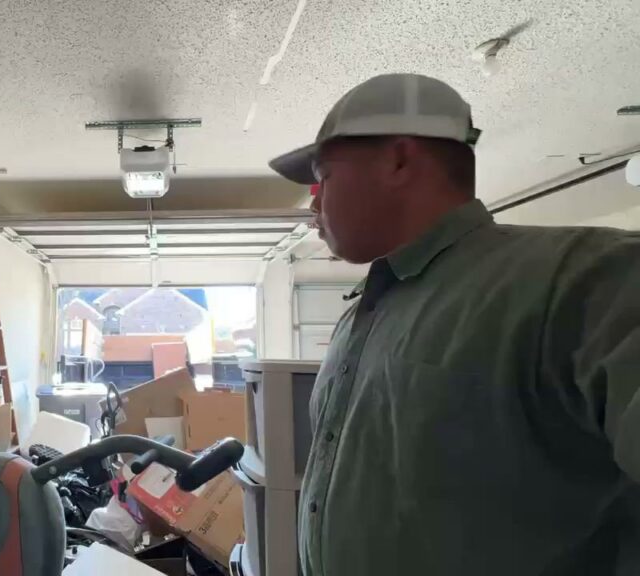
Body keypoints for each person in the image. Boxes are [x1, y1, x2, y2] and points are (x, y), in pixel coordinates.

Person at [269, 73, 640, 576]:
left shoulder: (584, 278)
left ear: (399, 161)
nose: (313, 204)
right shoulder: (360, 316)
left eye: (324, 178)